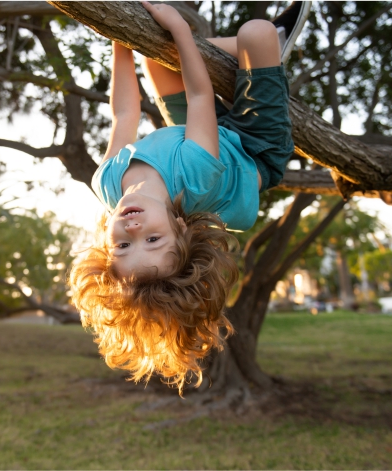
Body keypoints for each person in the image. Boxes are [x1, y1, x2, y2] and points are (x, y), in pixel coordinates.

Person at [69, 1, 310, 393]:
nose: (132, 228)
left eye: (124, 246)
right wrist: (181, 29)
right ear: (181, 226)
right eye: (152, 239)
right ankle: (267, 50)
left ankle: (236, 62)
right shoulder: (193, 179)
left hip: (192, 135)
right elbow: (200, 98)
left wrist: (121, 41)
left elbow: (124, 114)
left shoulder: (108, 184)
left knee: (156, 60)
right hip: (252, 148)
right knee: (257, 33)